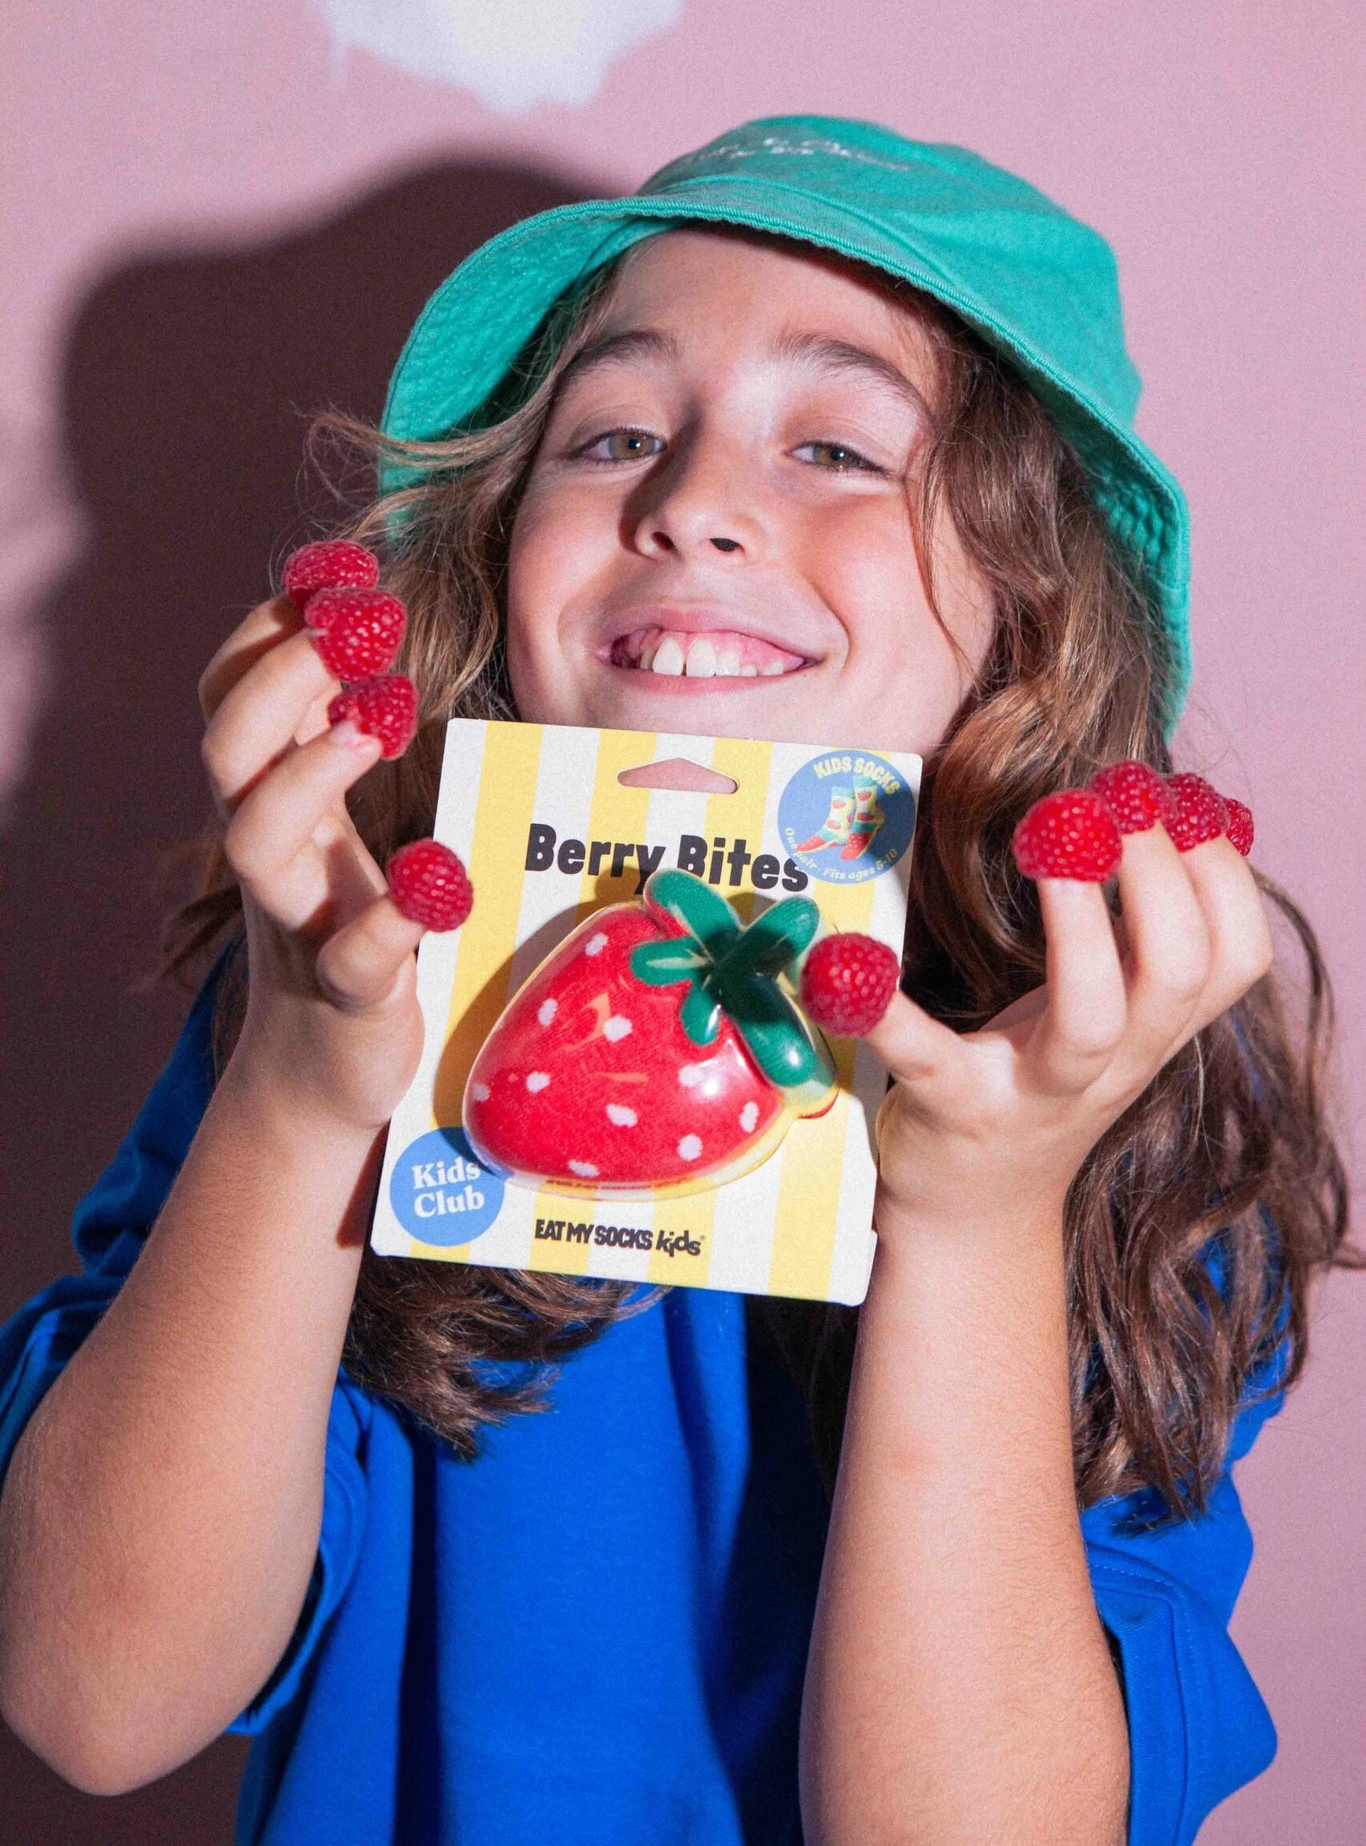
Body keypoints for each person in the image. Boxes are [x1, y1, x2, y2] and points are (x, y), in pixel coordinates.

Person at [0, 115, 1351, 1846]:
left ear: (1029, 602)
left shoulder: (1116, 1118)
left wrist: (978, 1225)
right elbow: (98, 1701)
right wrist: (295, 1092)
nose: (691, 503)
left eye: (837, 448)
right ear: (498, 550)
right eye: (615, 434)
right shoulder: (347, 998)